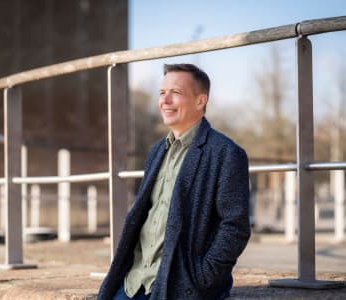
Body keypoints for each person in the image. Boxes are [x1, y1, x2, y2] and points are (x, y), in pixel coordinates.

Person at [98, 63, 251, 300]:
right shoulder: (157, 151)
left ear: (201, 101)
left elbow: (235, 226)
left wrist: (204, 276)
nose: (165, 100)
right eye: (162, 93)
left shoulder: (226, 153)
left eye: (176, 93)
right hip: (133, 282)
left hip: (179, 285)